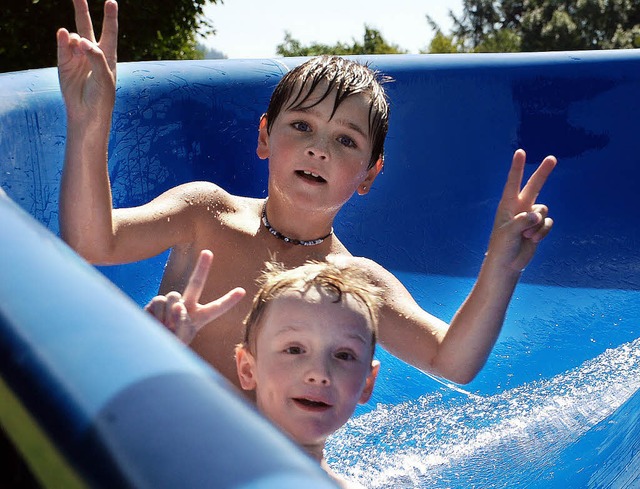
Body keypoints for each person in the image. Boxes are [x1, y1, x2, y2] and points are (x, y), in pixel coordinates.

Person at [57, 0, 557, 390]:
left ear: (369, 173)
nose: (318, 149)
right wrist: (89, 123)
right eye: (301, 126)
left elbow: (452, 359)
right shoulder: (203, 214)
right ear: (263, 137)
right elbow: (92, 243)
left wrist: (502, 266)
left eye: (345, 140)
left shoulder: (356, 282)